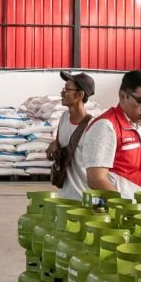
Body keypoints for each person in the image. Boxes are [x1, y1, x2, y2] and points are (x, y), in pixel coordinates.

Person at [81, 70, 141, 199]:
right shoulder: (106, 126)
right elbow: (96, 179)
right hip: (125, 209)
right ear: (123, 96)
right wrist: (123, 205)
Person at [46, 71, 96, 199]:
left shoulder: (92, 126)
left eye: (67, 89)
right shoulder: (64, 117)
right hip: (64, 195)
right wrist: (54, 146)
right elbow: (61, 144)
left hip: (83, 197)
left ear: (80, 95)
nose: (62, 93)